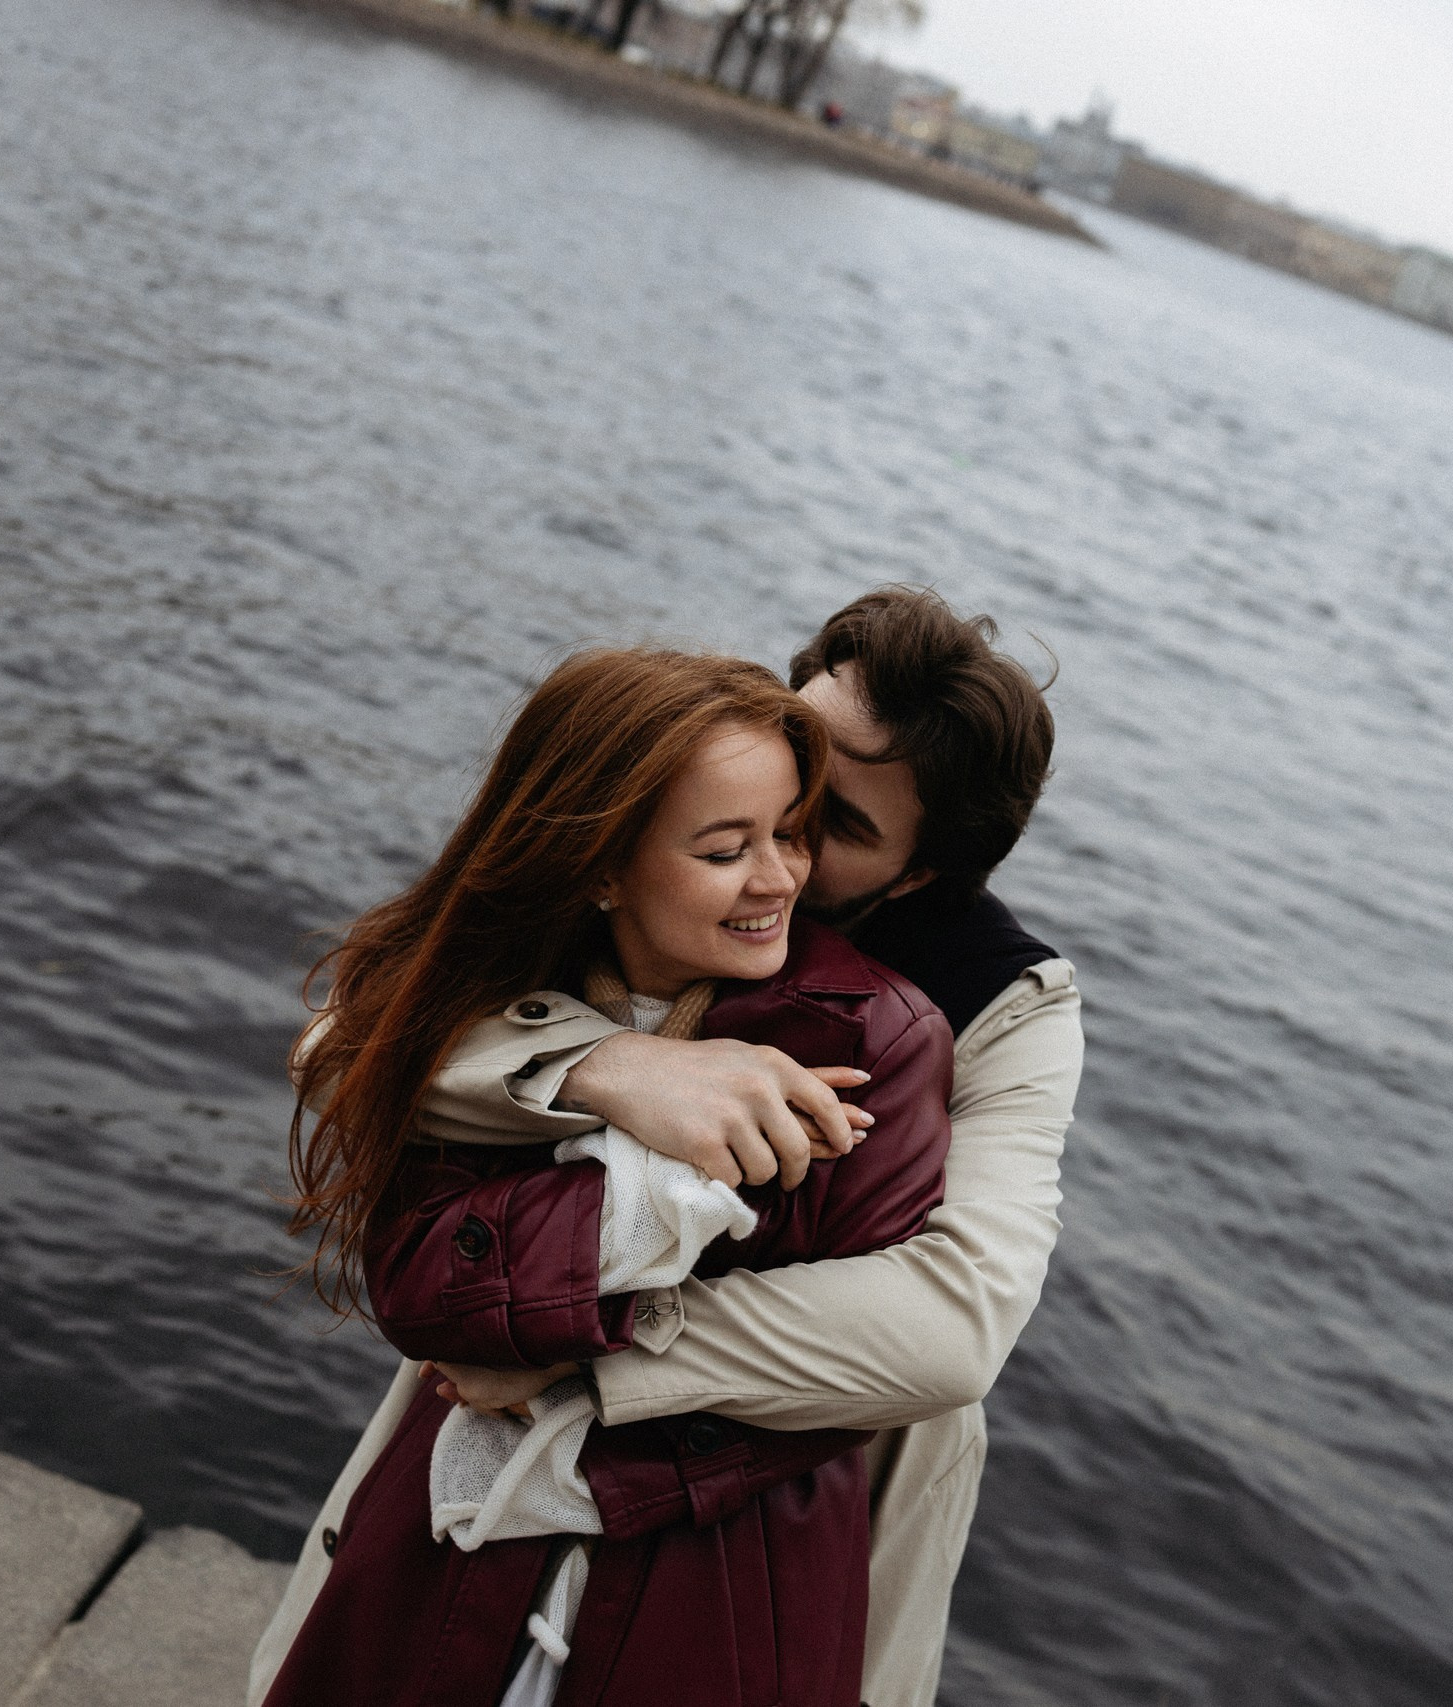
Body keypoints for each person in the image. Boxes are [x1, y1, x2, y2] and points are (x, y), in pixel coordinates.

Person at [253, 588, 1081, 1707]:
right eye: (797, 753)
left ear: (917, 874)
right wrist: (607, 1068)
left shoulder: (1002, 1006)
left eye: (829, 823)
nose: (786, 827)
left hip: (793, 1470)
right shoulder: (650, 833)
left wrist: (585, 1353)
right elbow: (340, 1050)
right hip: (494, 1392)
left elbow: (952, 1327)